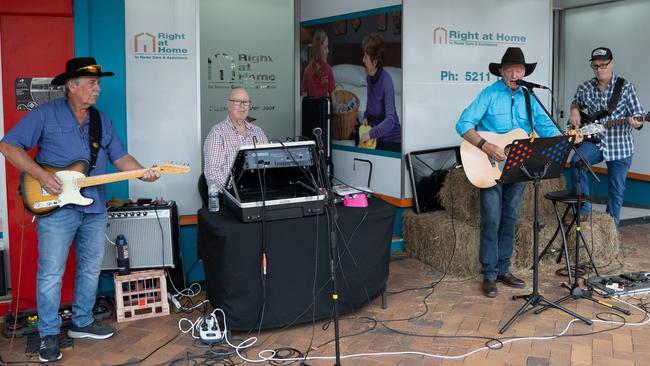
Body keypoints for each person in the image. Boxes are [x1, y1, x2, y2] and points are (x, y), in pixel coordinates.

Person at [0, 57, 160, 362]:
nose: (97, 89)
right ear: (72, 86)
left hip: (94, 206)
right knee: (51, 273)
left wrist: (144, 172)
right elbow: (8, 145)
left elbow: (121, 157)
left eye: (98, 83)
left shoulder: (101, 120)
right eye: (92, 83)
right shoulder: (45, 114)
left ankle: (82, 322)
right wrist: (41, 175)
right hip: (57, 207)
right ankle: (48, 334)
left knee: (90, 266)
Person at [455, 47, 573, 298]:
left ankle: (503, 269)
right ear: (501, 71)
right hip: (490, 167)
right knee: (491, 218)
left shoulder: (529, 98)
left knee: (510, 217)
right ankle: (488, 274)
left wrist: (569, 138)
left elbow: (547, 127)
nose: (515, 74)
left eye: (519, 70)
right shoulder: (488, 95)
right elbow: (463, 124)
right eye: (510, 69)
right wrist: (485, 145)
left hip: (519, 166)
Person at [569, 47, 645, 226]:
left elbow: (639, 115)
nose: (599, 70)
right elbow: (576, 102)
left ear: (612, 63)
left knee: (616, 189)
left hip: (620, 145)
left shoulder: (626, 87)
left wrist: (638, 122)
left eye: (603, 65)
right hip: (595, 141)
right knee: (576, 162)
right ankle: (583, 209)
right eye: (595, 66)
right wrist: (574, 111)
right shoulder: (585, 87)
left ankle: (611, 228)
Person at [203, 87, 268, 192]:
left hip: (258, 193)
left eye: (246, 102)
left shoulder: (258, 132)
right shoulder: (218, 133)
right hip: (230, 195)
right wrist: (234, 193)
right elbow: (213, 175)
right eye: (237, 102)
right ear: (228, 104)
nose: (242, 106)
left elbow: (267, 165)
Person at [358, 33, 401, 152]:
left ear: (375, 62)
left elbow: (390, 121)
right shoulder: (369, 78)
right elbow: (371, 107)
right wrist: (366, 116)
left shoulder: (386, 81)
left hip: (392, 141)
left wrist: (370, 134)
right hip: (377, 139)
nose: (362, 60)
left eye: (365, 57)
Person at [301, 29, 335, 100]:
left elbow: (333, 96)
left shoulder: (328, 70)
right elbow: (305, 97)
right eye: (325, 48)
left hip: (324, 108)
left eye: (327, 47)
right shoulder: (307, 71)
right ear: (318, 49)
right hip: (312, 109)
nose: (328, 51)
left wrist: (337, 108)